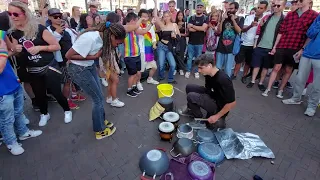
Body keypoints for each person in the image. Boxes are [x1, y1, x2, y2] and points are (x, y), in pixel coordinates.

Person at [9, 1, 72, 126]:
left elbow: (56, 46)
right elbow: (14, 53)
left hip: (48, 67)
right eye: (9, 13)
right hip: (32, 70)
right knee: (39, 94)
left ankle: (67, 110)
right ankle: (44, 113)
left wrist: (40, 48)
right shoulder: (14, 33)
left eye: (16, 13)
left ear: (24, 13)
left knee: (56, 92)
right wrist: (15, 50)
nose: (13, 17)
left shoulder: (39, 28)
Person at [66, 22, 126, 140]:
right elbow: (68, 55)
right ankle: (99, 130)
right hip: (78, 69)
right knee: (97, 99)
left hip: (88, 66)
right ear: (112, 36)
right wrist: (93, 57)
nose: (117, 45)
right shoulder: (91, 38)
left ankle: (101, 120)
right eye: (118, 43)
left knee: (99, 96)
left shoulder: (104, 37)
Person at [0, 39, 43, 156]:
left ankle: (23, 132)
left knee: (19, 112)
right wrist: (4, 49)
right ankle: (11, 143)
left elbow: (6, 54)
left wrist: (12, 50)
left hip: (13, 84)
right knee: (6, 120)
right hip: (2, 92)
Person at [179, 54, 236, 130]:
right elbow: (208, 89)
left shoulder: (224, 79)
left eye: (200, 68)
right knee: (189, 87)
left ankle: (200, 121)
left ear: (209, 66)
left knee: (191, 96)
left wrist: (217, 116)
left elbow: (232, 103)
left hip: (218, 106)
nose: (199, 71)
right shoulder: (208, 74)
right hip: (212, 96)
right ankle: (194, 112)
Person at [282, 15, 320, 117]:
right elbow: (310, 34)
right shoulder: (318, 18)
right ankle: (296, 98)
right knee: (299, 78)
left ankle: (312, 106)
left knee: (317, 85)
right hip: (308, 53)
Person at [216, 2, 244, 78]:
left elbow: (239, 31)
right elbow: (219, 31)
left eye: (231, 8)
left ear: (236, 9)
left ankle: (225, 85)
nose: (229, 10)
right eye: (228, 8)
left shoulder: (240, 19)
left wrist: (233, 20)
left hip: (231, 49)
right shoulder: (224, 18)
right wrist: (222, 20)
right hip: (221, 47)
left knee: (227, 69)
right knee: (217, 68)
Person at [186, 1, 208, 79]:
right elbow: (189, 28)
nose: (199, 9)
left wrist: (194, 26)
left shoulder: (205, 18)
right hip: (191, 42)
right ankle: (188, 71)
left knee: (198, 58)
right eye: (198, 7)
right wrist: (199, 28)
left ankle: (196, 72)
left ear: (203, 8)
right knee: (189, 58)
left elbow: (203, 28)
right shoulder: (192, 17)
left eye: (200, 7)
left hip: (200, 42)